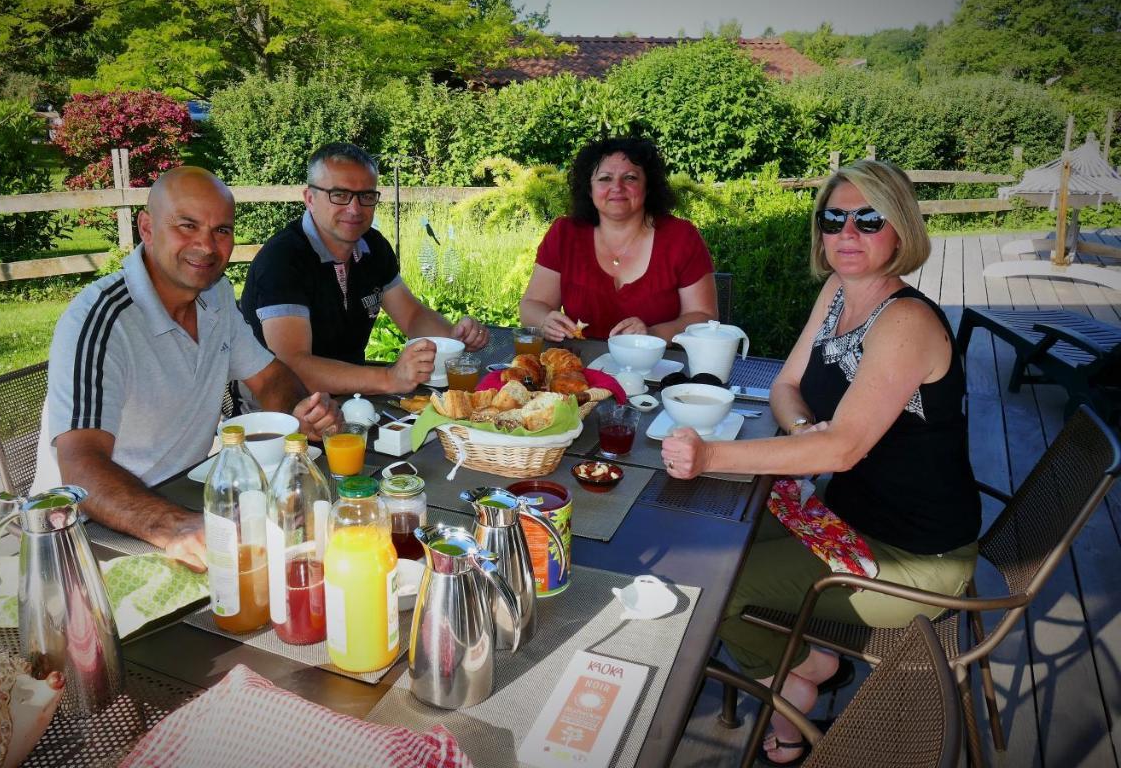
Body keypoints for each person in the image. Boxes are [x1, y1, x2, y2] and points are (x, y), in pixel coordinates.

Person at [660, 160, 980, 766]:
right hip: (848, 516)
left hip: (912, 561)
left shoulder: (905, 320)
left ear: (901, 227)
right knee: (711, 535)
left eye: (869, 219)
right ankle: (810, 661)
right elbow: (786, 387)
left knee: (708, 584)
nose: (848, 233)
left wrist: (711, 455)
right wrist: (809, 432)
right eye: (834, 219)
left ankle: (798, 679)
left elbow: (842, 450)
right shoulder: (840, 293)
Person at [32, 166, 342, 571]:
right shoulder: (102, 320)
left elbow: (270, 377)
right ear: (146, 227)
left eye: (222, 231)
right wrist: (173, 526)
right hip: (91, 534)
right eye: (187, 225)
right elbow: (79, 468)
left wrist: (299, 413)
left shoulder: (216, 297)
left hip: (189, 499)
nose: (206, 246)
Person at [239, 143, 489, 395]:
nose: (355, 209)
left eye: (366, 196)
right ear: (310, 199)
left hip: (353, 396)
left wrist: (454, 338)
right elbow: (293, 366)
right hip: (277, 412)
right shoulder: (281, 260)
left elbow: (412, 316)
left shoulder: (373, 245)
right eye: (339, 194)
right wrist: (389, 378)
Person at [520, 137, 717, 342]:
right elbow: (532, 304)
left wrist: (652, 335)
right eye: (605, 178)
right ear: (589, 188)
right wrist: (544, 321)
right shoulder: (565, 234)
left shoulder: (681, 237)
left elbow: (704, 317)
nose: (617, 187)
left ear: (647, 186)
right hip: (579, 368)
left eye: (630, 178)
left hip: (662, 369)